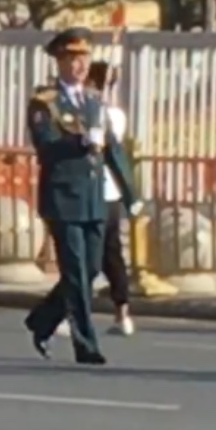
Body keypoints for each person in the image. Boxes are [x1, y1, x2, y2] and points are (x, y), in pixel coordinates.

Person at [23, 27, 135, 365]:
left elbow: (113, 150)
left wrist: (132, 195)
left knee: (88, 271)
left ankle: (42, 320)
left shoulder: (93, 102)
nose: (80, 64)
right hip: (63, 197)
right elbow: (45, 145)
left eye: (84, 57)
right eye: (73, 58)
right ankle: (86, 344)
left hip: (93, 198)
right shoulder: (45, 103)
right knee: (74, 273)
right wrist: (79, 142)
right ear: (60, 61)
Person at [87, 60, 138, 336]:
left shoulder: (102, 115)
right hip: (112, 193)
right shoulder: (114, 114)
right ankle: (122, 313)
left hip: (95, 190)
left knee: (86, 254)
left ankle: (72, 310)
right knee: (112, 253)